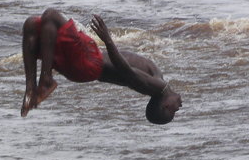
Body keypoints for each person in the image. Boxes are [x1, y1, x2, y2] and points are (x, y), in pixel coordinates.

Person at [21, 8, 183, 124]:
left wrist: (107, 39)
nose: (180, 105)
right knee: (32, 26)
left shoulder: (159, 88)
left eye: (174, 111)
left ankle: (45, 80)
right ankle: (31, 88)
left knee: (51, 15)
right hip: (82, 69)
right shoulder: (155, 84)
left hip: (90, 63)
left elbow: (126, 71)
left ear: (166, 106)